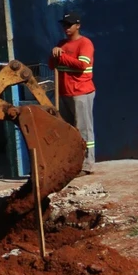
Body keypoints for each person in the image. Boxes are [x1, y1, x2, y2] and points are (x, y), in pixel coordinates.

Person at [48, 11, 96, 174]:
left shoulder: (85, 43)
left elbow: (82, 65)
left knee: (84, 129)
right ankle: (72, 164)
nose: (66, 28)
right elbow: (52, 65)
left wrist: (61, 56)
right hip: (64, 93)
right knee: (68, 131)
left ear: (78, 26)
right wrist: (54, 54)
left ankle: (87, 164)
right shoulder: (61, 44)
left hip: (81, 92)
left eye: (69, 25)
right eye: (64, 25)